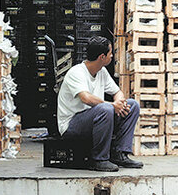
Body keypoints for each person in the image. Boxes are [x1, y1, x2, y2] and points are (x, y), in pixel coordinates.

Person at [57, 35, 143, 171]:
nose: (112, 56)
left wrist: (119, 103)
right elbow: (85, 98)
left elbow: (117, 92)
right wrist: (112, 105)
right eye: (110, 53)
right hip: (71, 125)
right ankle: (99, 159)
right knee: (105, 109)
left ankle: (119, 153)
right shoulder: (77, 72)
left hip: (94, 118)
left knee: (132, 105)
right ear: (102, 57)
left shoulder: (101, 71)